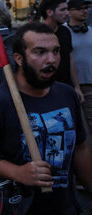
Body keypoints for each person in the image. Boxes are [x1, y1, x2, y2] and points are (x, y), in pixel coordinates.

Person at [0, 23, 92, 215]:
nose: (51, 60)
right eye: (39, 52)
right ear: (19, 58)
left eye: (56, 51)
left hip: (65, 207)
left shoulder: (67, 95)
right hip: (18, 208)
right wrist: (18, 172)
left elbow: (81, 148)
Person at [40, 0, 84, 101]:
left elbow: (70, 59)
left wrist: (76, 87)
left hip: (66, 87)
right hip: (46, 89)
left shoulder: (65, 32)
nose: (67, 13)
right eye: (63, 10)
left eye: (67, 9)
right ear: (49, 12)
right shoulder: (37, 34)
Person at [65, 0, 92, 138]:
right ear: (69, 12)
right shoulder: (63, 32)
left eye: (86, 8)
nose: (85, 11)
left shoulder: (91, 32)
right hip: (70, 85)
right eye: (80, 8)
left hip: (89, 85)